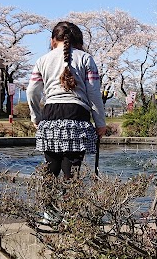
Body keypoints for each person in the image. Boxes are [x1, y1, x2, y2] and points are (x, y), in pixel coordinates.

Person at [27, 21, 106, 180]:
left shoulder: (42, 60)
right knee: (72, 173)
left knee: (51, 170)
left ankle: (47, 203)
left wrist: (36, 117)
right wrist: (100, 123)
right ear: (78, 40)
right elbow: (94, 93)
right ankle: (70, 203)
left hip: (51, 112)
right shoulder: (86, 58)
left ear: (52, 40)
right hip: (77, 113)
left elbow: (31, 91)